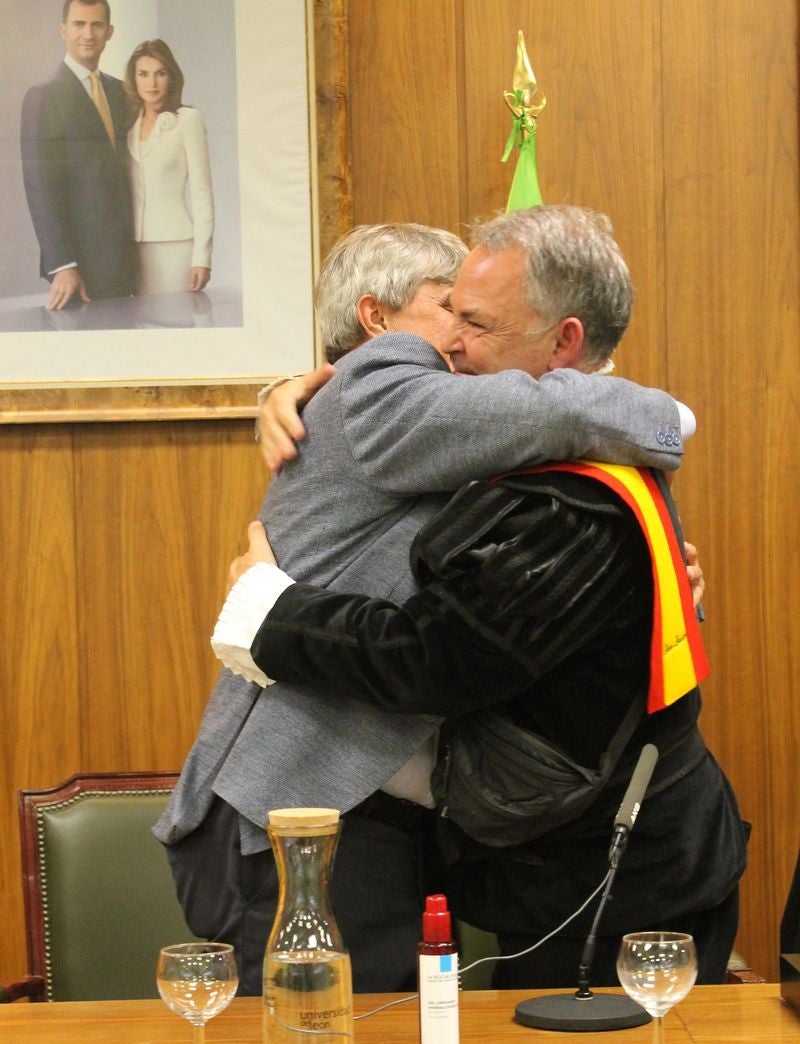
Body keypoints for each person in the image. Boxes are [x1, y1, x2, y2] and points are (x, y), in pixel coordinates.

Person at [156, 213, 689, 995]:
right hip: (291, 808)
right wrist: (668, 416)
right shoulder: (383, 385)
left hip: (363, 810)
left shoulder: (442, 416)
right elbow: (556, 409)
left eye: (480, 319)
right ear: (378, 321)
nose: (462, 339)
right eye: (452, 309)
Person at [20, 0, 136, 309]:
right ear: (63, 30)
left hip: (127, 259)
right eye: (79, 24)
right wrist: (63, 264)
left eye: (97, 25)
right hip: (80, 266)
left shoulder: (120, 91)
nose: (88, 34)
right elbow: (39, 187)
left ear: (109, 32)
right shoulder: (44, 96)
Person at [124, 39, 213, 294]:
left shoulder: (188, 120)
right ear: (134, 78)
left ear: (171, 77)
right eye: (143, 74)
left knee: (174, 322)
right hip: (132, 246)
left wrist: (201, 257)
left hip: (175, 245)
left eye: (160, 74)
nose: (151, 83)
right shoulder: (128, 124)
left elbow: (201, 193)